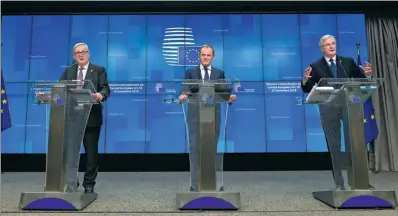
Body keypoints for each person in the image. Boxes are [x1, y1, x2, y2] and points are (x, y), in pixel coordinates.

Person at [301, 35, 372, 190]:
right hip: (328, 109)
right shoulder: (315, 66)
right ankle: (339, 184)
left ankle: (359, 181)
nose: (331, 46)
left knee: (354, 144)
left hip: (349, 107)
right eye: (327, 45)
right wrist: (305, 80)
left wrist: (366, 75)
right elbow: (308, 89)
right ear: (322, 48)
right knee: (334, 145)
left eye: (333, 43)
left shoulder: (347, 61)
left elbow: (360, 81)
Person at [37, 42, 110, 193]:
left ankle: (89, 185)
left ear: (88, 54)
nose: (81, 55)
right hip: (71, 118)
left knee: (91, 154)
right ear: (74, 56)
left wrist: (100, 95)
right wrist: (47, 97)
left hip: (91, 118)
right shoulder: (69, 71)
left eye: (84, 52)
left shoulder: (98, 70)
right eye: (78, 53)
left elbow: (105, 88)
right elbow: (60, 90)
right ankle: (72, 183)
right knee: (71, 153)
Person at [179, 45, 236, 192]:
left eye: (208, 55)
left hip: (213, 119)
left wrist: (229, 98)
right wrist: (183, 95)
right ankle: (195, 185)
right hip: (194, 117)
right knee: (195, 150)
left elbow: (223, 94)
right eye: (203, 54)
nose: (205, 57)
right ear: (199, 55)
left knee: (211, 150)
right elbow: (185, 90)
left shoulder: (219, 73)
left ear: (213, 57)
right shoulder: (190, 72)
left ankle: (211, 184)